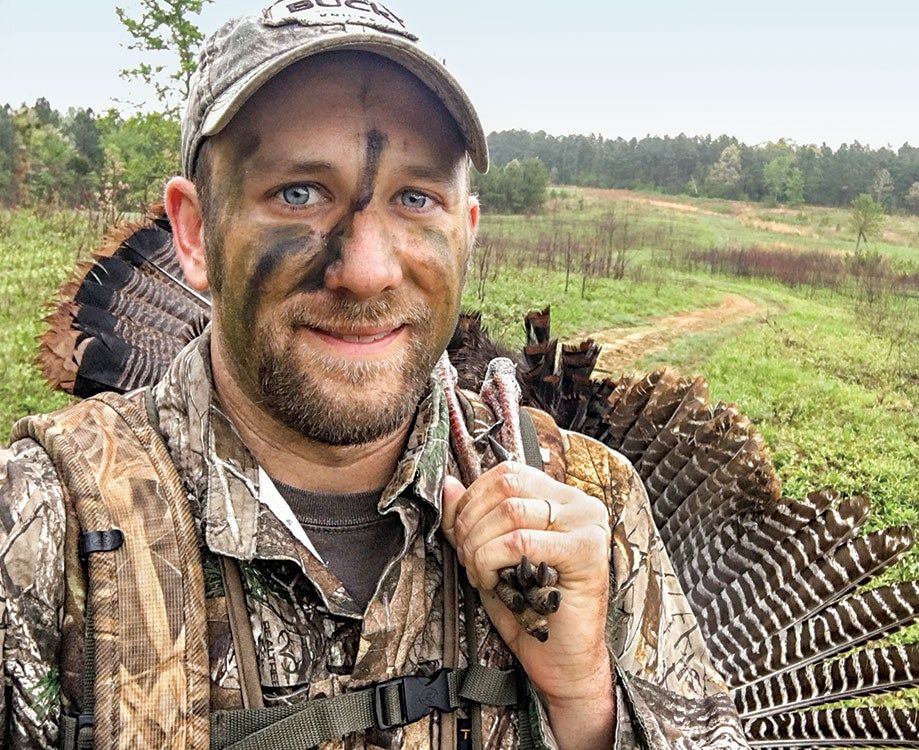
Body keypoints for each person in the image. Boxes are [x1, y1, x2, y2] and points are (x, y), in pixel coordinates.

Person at [0, 2, 745, 748]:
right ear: (194, 233)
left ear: (467, 232)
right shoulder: (38, 527)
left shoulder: (585, 504)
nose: (366, 271)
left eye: (416, 199)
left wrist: (586, 699)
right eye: (299, 192)